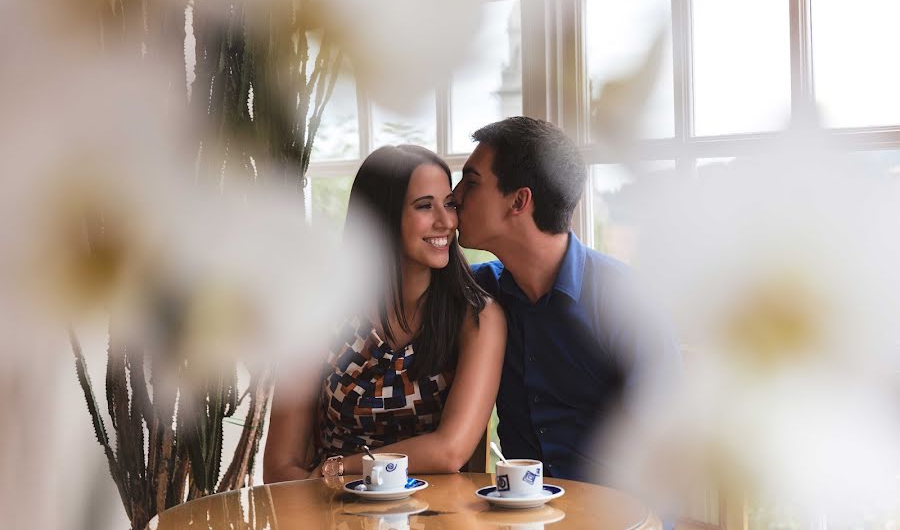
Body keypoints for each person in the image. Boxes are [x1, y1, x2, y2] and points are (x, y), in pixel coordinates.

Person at [452, 116, 680, 483]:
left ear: (519, 201)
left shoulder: (626, 301)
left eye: (471, 182)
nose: (455, 196)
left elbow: (665, 445)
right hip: (523, 514)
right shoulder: (482, 292)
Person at [264, 145, 507, 482]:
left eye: (449, 203)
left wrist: (338, 468)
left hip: (431, 514)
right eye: (425, 206)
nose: (446, 221)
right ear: (381, 218)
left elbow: (450, 450)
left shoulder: (477, 318)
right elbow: (279, 466)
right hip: (331, 508)